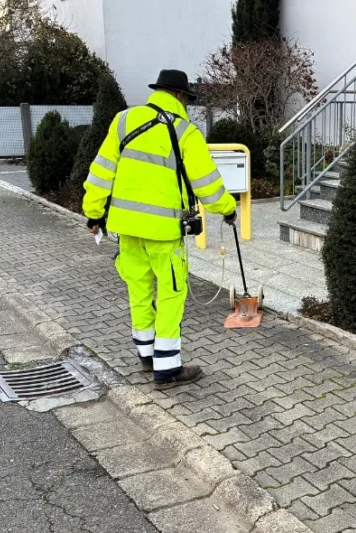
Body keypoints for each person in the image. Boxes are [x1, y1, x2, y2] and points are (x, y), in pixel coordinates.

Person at [82, 70, 238, 389]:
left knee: (138, 291)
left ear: (159, 92)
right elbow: (207, 185)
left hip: (126, 228)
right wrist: (228, 209)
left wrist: (93, 214)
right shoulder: (185, 132)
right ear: (181, 96)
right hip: (163, 231)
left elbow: (100, 171)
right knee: (171, 293)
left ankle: (146, 355)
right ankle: (167, 369)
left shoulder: (124, 120)